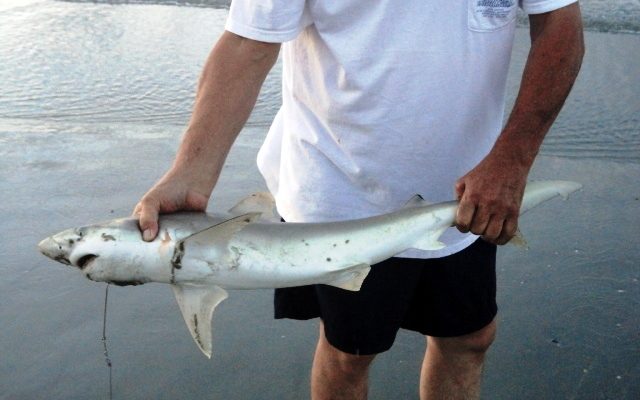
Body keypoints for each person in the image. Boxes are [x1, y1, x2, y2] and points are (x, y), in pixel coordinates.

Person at [134, 1, 584, 398]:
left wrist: (512, 160)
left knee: (468, 338)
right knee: (352, 350)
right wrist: (189, 173)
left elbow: (560, 23)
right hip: (341, 190)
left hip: (471, 180)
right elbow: (248, 44)